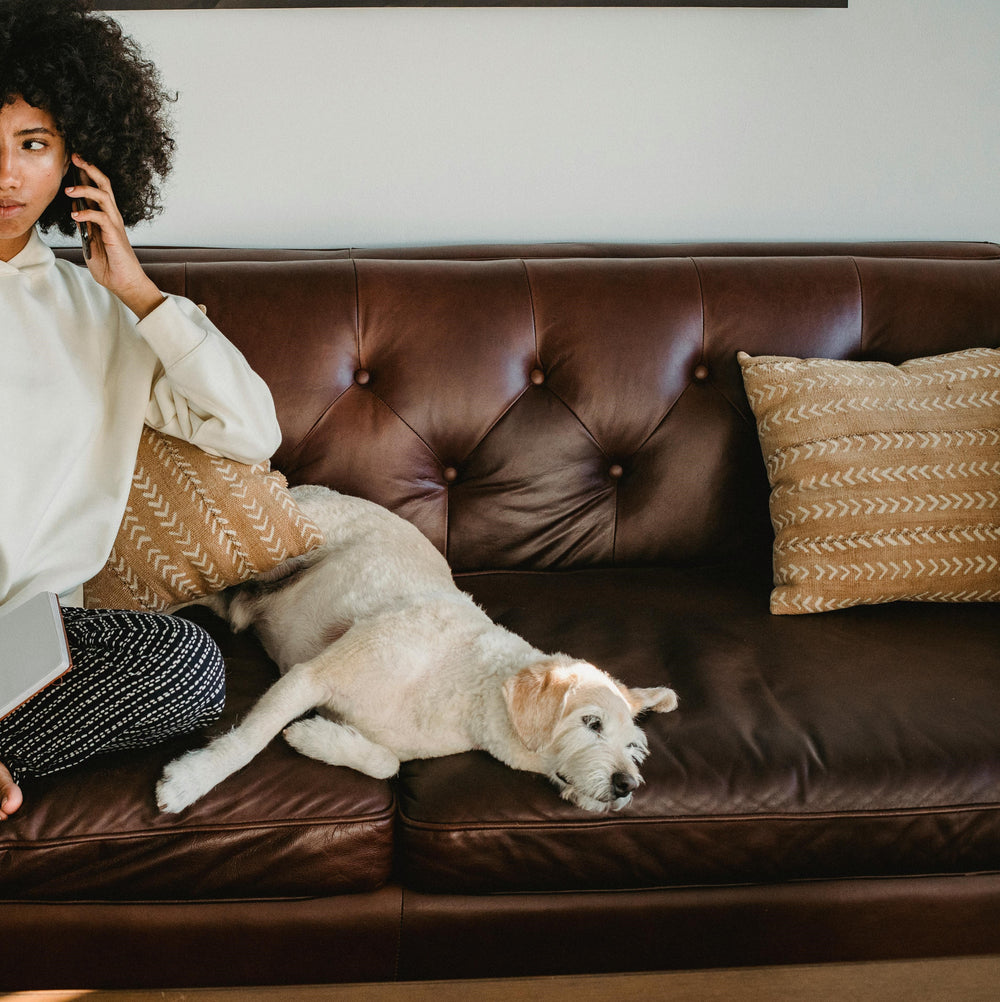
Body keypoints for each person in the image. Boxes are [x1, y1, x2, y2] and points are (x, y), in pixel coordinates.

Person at [0, 0, 283, 820]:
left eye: (33, 144)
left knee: (187, 668)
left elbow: (251, 429)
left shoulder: (106, 316)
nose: (7, 175)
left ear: (76, 162)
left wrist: (137, 291)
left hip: (26, 645)